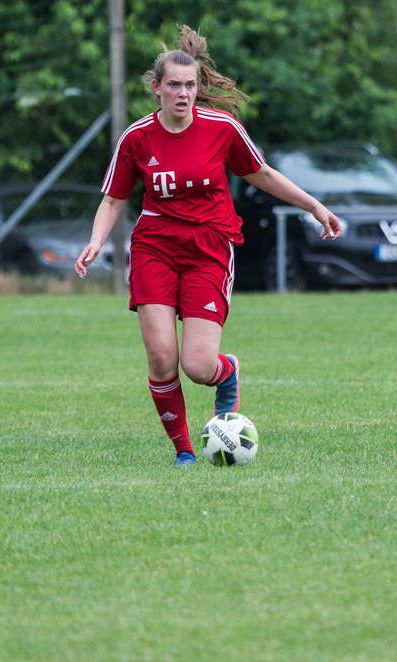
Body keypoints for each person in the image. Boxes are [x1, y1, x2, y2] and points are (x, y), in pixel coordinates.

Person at [75, 26, 342, 466]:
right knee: (162, 358)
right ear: (157, 88)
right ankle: (183, 450)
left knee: (197, 366)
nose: (184, 94)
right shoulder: (137, 138)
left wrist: (314, 206)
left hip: (209, 247)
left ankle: (227, 372)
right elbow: (113, 198)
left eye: (191, 85)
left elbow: (262, 174)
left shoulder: (223, 128)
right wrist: (95, 241)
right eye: (175, 85)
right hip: (154, 246)